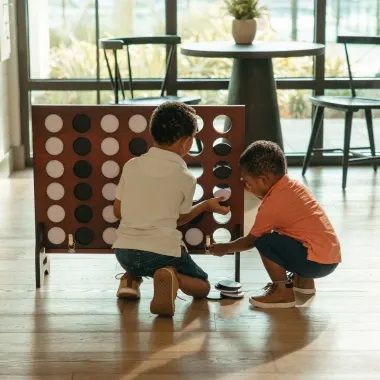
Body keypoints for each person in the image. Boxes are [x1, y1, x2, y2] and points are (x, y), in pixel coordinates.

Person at [113, 101, 229, 317]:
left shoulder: (131, 165)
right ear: (185, 143)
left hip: (124, 252)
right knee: (203, 286)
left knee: (137, 248)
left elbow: (118, 212)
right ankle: (172, 278)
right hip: (161, 255)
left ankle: (129, 280)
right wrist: (205, 205)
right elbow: (179, 219)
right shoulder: (185, 177)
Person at [208, 140, 341, 309]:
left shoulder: (272, 204)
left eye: (249, 182)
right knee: (287, 234)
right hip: (330, 257)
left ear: (264, 179)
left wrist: (225, 248)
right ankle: (303, 283)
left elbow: (250, 241)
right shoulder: (293, 187)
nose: (247, 187)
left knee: (265, 241)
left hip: (316, 264)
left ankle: (282, 292)